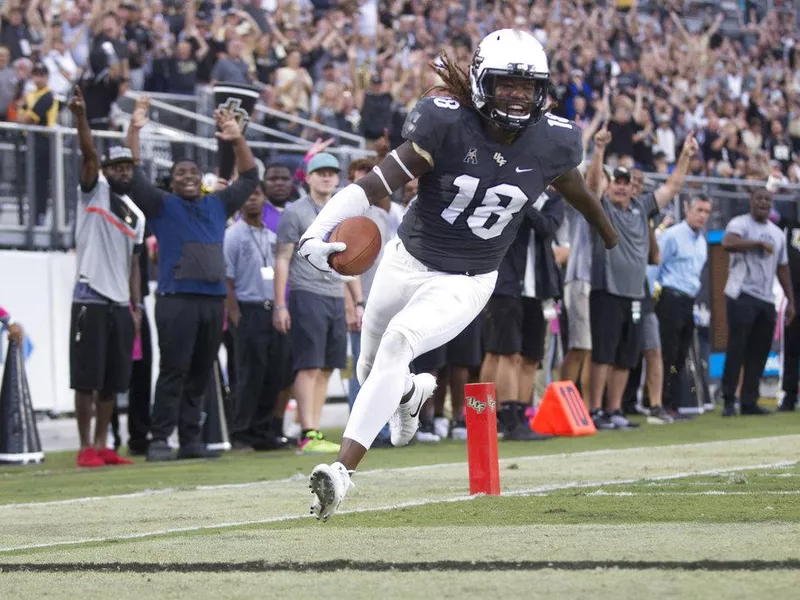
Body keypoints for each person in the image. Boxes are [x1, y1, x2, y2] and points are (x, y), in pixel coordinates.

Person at [296, 30, 618, 521]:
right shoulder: (445, 124)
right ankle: (410, 391)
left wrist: (609, 234)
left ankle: (341, 473)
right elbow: (372, 185)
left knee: (399, 344)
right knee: (369, 370)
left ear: (542, 91)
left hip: (467, 277)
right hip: (407, 258)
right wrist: (314, 236)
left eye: (526, 86)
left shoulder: (553, 141)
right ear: (481, 82)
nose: (516, 95)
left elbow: (576, 190)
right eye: (506, 84)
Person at [125, 102, 259, 461]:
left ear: (200, 179)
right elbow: (134, 173)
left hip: (212, 300)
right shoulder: (160, 204)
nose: (186, 176)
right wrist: (135, 129)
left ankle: (190, 439)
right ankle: (159, 439)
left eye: (192, 172)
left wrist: (237, 138)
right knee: (173, 370)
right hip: (176, 300)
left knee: (200, 372)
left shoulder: (217, 204)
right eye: (180, 172)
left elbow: (249, 178)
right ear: (171, 180)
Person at [585, 123, 697, 431]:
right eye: (616, 182)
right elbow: (591, 185)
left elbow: (672, 186)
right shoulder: (602, 206)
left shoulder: (642, 206)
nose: (620, 186)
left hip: (635, 294)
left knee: (625, 357)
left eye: (625, 182)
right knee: (603, 355)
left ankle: (614, 410)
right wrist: (598, 150)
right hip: (606, 290)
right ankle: (595, 410)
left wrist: (685, 156)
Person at [67, 86, 143, 468]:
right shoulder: (93, 193)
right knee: (87, 377)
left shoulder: (136, 214)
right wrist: (81, 117)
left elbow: (133, 262)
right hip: (90, 295)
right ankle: (84, 446)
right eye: (116, 167)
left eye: (128, 167)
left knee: (113, 378)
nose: (122, 172)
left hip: (119, 302)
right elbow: (88, 153)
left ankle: (102, 444)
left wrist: (136, 304)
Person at [274, 153, 365, 455]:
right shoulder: (296, 212)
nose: (326, 178)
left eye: (331, 173)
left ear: (338, 179)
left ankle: (313, 429)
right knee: (309, 364)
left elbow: (349, 261)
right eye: (320, 172)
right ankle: (307, 431)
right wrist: (280, 304)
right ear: (308, 177)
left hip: (334, 295)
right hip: (307, 292)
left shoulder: (342, 213)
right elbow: (282, 260)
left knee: (327, 366)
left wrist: (359, 301)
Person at [224, 184, 291, 451]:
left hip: (271, 309)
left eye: (256, 194)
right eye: (247, 195)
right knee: (248, 373)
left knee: (272, 373)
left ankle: (264, 432)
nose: (252, 199)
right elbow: (227, 278)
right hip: (247, 308)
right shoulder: (234, 234)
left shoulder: (270, 235)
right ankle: (241, 432)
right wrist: (233, 312)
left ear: (263, 198)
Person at [720, 189, 795, 416]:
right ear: (751, 201)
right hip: (741, 294)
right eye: (759, 199)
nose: (763, 203)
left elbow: (782, 267)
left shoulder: (777, 233)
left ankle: (749, 401)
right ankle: (728, 400)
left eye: (767, 200)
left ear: (771, 205)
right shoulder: (740, 223)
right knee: (737, 349)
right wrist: (757, 244)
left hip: (765, 298)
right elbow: (728, 243)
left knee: (759, 352)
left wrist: (791, 300)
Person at [654, 195, 712, 417]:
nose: (702, 216)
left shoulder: (702, 241)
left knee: (680, 354)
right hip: (669, 297)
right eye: (699, 210)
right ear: (688, 209)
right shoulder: (672, 235)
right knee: (667, 353)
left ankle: (674, 403)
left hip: (688, 300)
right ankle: (662, 402)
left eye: (707, 212)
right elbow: (655, 265)